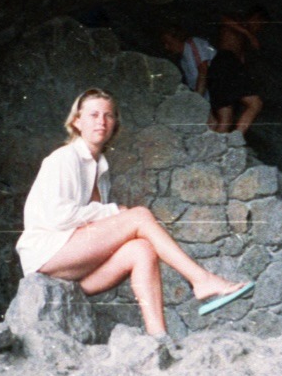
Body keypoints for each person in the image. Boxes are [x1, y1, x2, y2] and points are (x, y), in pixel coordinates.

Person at [15, 89, 253, 336]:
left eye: (108, 115)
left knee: (142, 249)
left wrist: (112, 213)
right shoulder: (64, 158)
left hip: (76, 270)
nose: (101, 121)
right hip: (47, 256)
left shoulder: (100, 170)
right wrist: (113, 211)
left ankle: (158, 338)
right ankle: (201, 280)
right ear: (76, 121)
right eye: (93, 114)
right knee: (139, 216)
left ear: (115, 123)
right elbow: (58, 216)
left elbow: (92, 225)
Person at [207, 15, 262, 135]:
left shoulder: (242, 39)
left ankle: (214, 148)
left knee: (226, 119)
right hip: (225, 61)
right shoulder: (236, 22)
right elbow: (223, 20)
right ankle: (236, 139)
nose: (258, 28)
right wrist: (249, 34)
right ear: (255, 18)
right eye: (259, 24)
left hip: (227, 67)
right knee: (255, 103)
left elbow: (241, 61)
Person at [161, 27, 214, 97]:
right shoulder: (183, 61)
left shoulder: (193, 44)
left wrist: (196, 100)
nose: (166, 47)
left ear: (177, 38)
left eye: (168, 43)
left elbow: (203, 70)